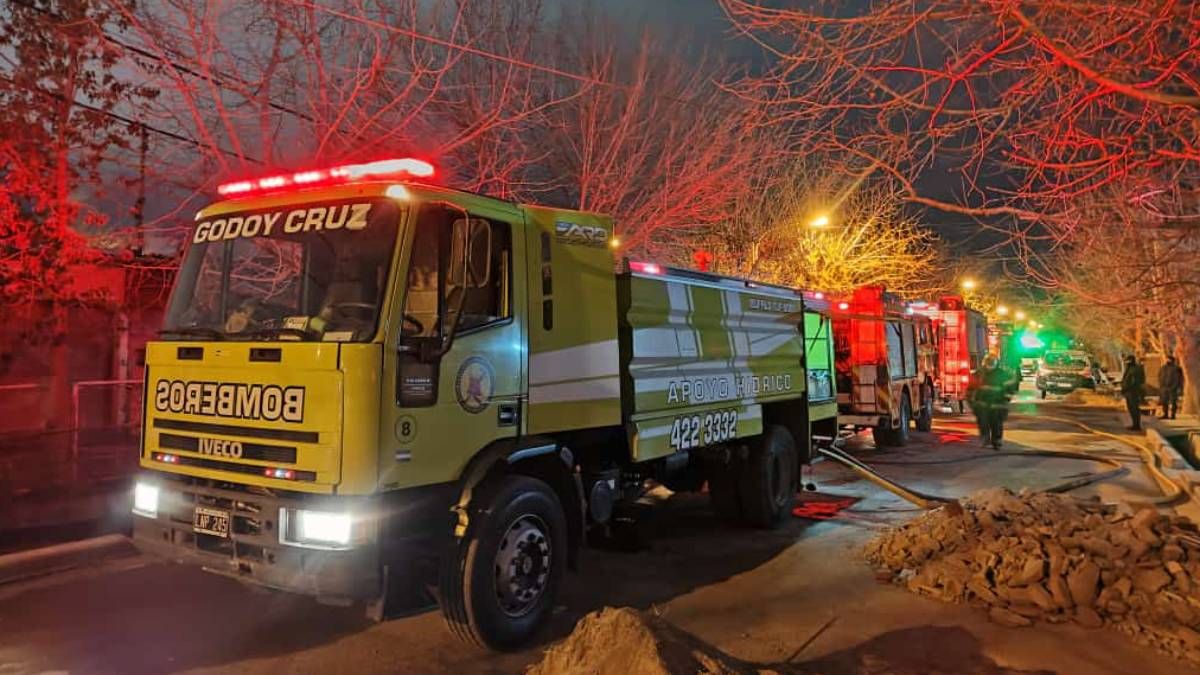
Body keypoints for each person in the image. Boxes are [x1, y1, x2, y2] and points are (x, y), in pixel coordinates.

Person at [969, 355, 1017, 449]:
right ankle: (985, 439)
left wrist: (1005, 400)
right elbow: (970, 389)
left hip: (997, 405)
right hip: (983, 405)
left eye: (991, 363)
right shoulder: (979, 374)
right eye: (988, 363)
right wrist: (973, 404)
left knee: (996, 423)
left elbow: (1010, 388)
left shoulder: (1002, 374)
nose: (989, 365)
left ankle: (996, 440)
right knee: (983, 423)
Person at [1120, 354, 1146, 431]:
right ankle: (1134, 424)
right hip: (1128, 392)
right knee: (1130, 408)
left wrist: (1127, 388)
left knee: (1134, 408)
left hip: (1133, 392)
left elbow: (1135, 381)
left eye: (1128, 361)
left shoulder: (1136, 369)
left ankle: (1137, 425)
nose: (1127, 362)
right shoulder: (1128, 368)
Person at [1160, 355, 1184, 420]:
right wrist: (1161, 385)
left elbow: (1178, 379)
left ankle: (1173, 415)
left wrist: (1176, 387)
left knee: (1173, 402)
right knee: (1164, 401)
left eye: (1169, 359)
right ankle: (1165, 414)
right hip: (1164, 387)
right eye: (1167, 359)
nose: (1168, 361)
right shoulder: (1163, 368)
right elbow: (1160, 376)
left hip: (1173, 388)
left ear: (1172, 360)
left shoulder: (1176, 368)